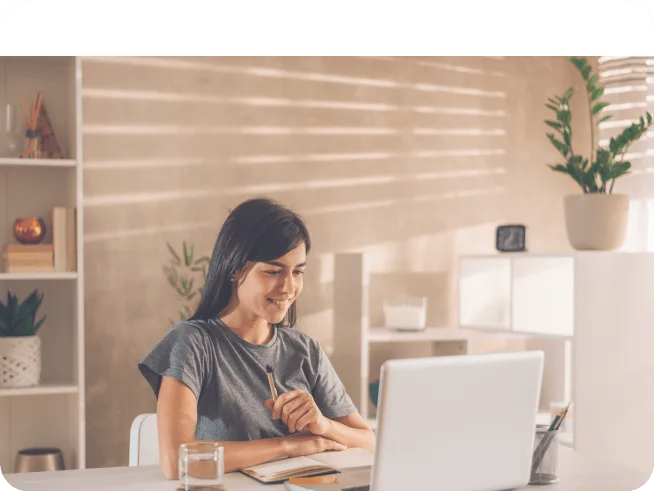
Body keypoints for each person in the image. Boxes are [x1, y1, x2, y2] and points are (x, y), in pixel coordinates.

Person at [138, 197, 375, 479]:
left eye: (298, 272)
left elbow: (369, 441)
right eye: (273, 271)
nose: (288, 287)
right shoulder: (192, 343)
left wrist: (323, 425)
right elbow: (177, 460)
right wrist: (287, 445)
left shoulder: (305, 349)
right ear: (236, 269)